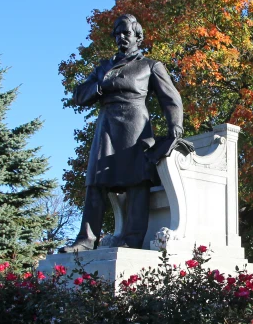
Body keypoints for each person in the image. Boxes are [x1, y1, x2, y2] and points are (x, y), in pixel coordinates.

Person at [62, 14, 184, 251]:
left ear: (137, 36)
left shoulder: (150, 65)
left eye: (126, 33)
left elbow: (171, 99)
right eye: (117, 33)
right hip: (106, 126)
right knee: (95, 183)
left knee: (137, 183)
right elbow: (79, 95)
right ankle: (85, 240)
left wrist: (175, 126)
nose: (121, 37)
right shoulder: (103, 67)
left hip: (135, 126)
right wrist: (100, 86)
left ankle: (132, 238)